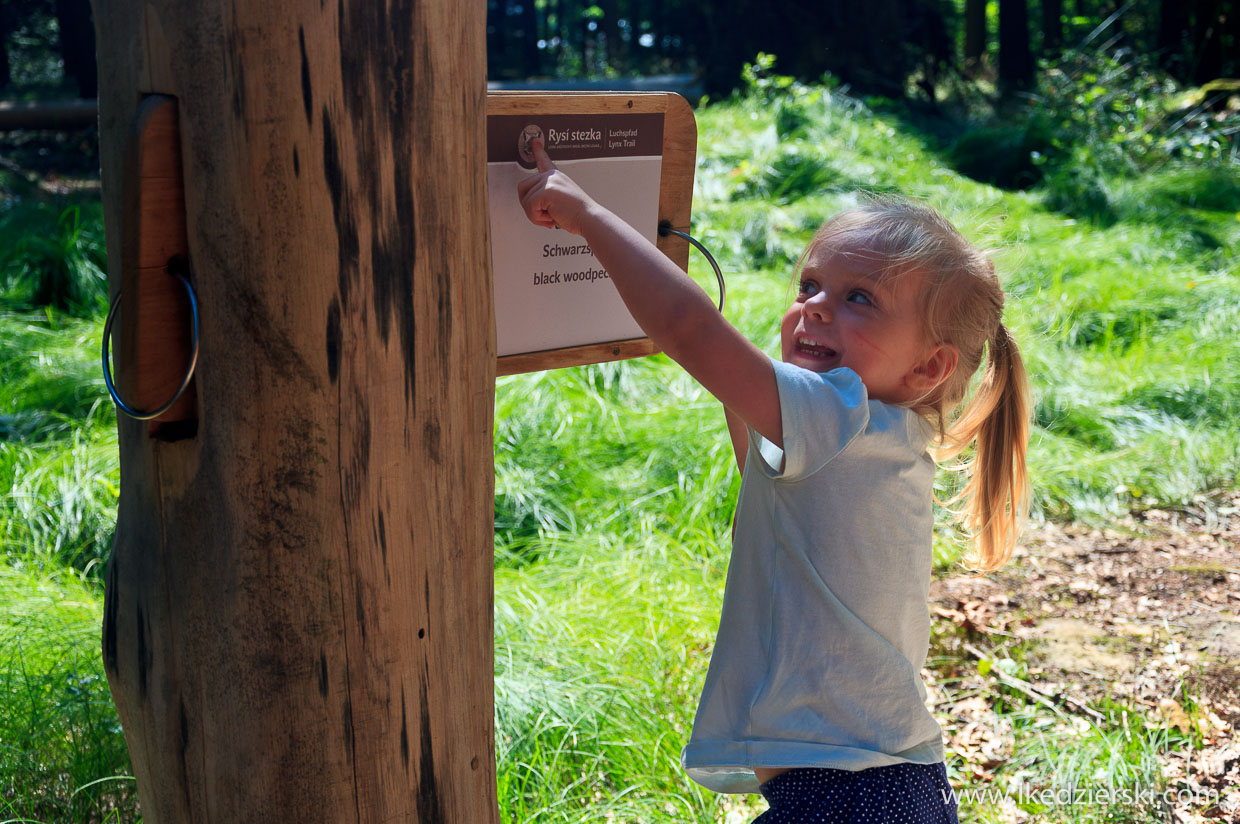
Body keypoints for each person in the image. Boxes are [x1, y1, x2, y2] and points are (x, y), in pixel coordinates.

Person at [517, 137, 1030, 823]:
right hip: (891, 788)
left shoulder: (840, 419)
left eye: (859, 299)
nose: (815, 307)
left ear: (929, 368)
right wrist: (744, 361)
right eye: (808, 287)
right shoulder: (879, 434)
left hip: (847, 798)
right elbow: (755, 451)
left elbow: (684, 327)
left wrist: (588, 217)